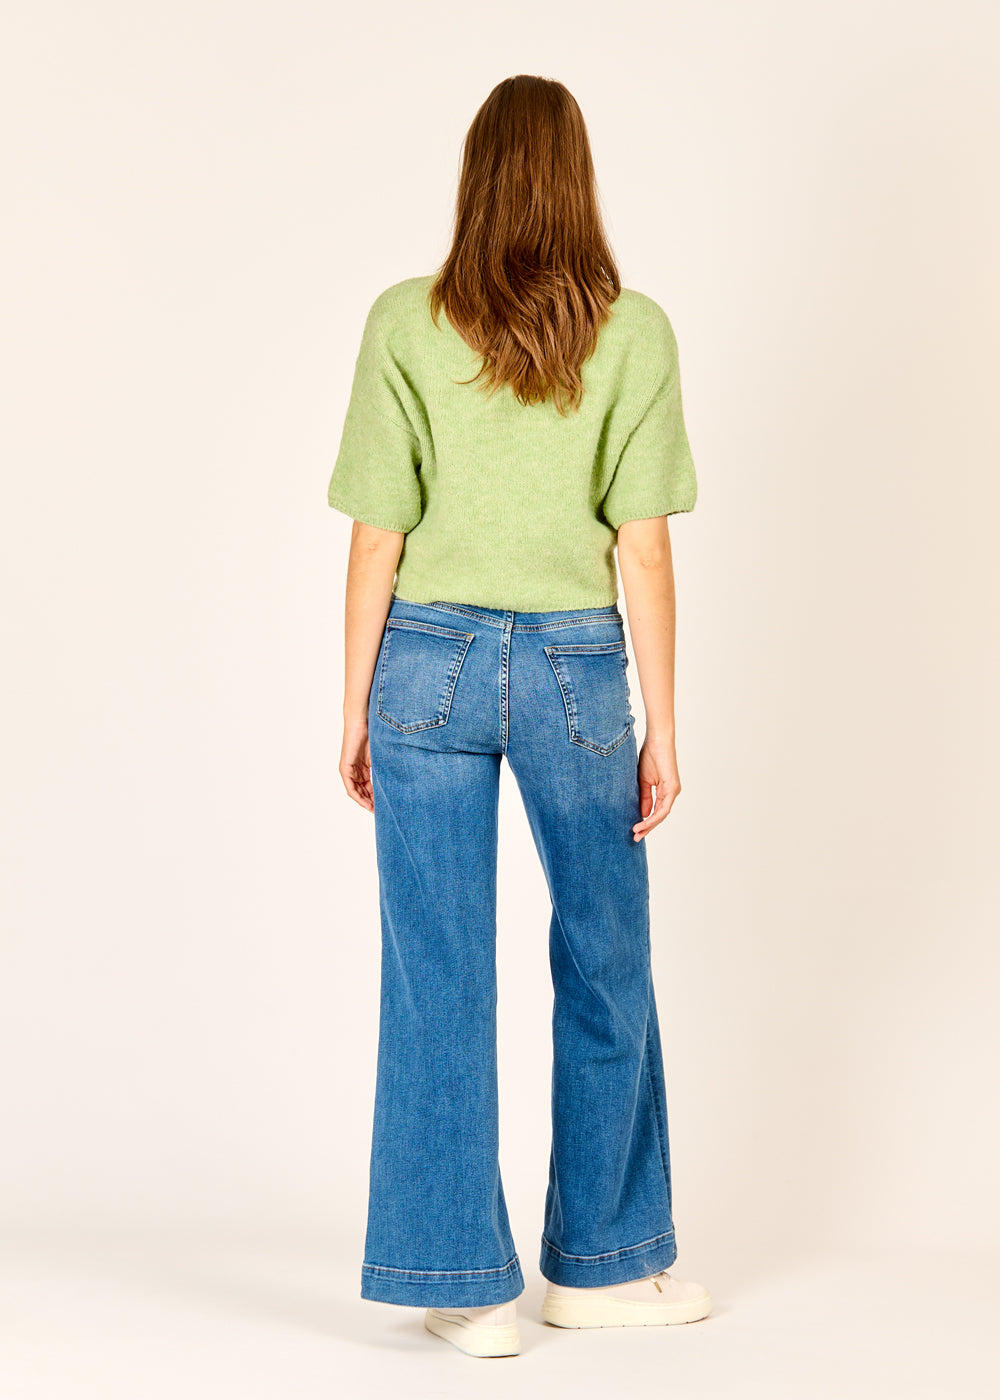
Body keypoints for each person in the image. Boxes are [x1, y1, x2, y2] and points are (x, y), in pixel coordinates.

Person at [327, 74, 713, 1359]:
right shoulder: (634, 332)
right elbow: (642, 547)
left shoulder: (404, 321)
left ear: (478, 177)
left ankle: (467, 1285)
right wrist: (664, 725)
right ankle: (599, 1264)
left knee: (435, 971)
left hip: (424, 664)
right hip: (576, 669)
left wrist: (352, 705)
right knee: (605, 959)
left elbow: (377, 534)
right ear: (575, 180)